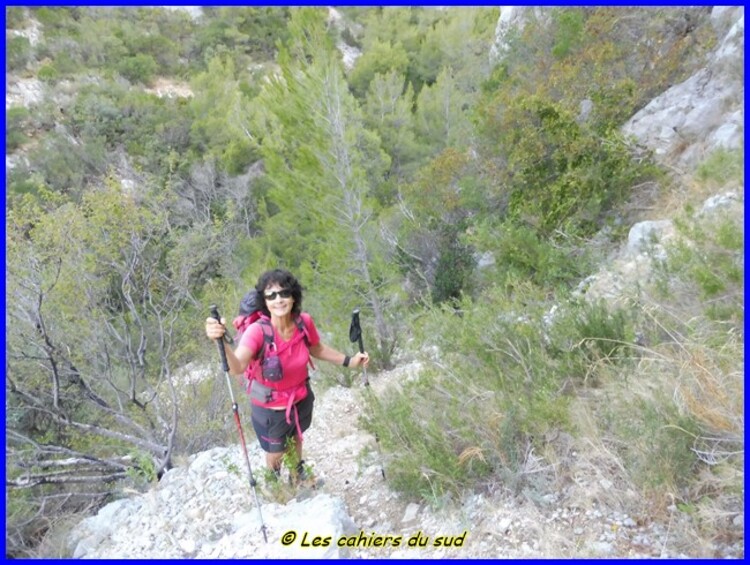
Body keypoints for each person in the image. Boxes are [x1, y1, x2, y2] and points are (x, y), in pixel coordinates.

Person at [205, 268, 369, 482]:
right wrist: (222, 343)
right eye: (271, 295)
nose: (278, 299)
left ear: (293, 296)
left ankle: (297, 476)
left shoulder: (303, 322)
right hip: (271, 410)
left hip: (301, 397)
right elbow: (238, 366)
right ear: (264, 301)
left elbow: (316, 348)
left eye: (284, 293)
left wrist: (349, 361)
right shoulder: (257, 331)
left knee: (297, 437)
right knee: (276, 452)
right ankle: (275, 485)